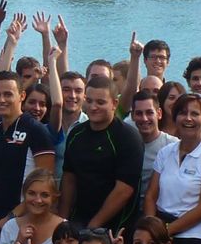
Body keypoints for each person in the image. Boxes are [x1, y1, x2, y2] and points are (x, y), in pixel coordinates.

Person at [144, 92, 201, 244]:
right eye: (182, 113)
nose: (188, 118)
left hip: (194, 237)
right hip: (159, 235)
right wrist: (150, 229)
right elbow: (151, 195)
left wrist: (165, 232)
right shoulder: (165, 152)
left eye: (195, 114)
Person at [59, 78, 143, 231]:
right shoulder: (76, 134)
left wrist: (93, 226)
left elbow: (124, 190)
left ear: (114, 104)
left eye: (100, 102)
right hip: (80, 218)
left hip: (117, 225)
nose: (93, 107)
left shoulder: (128, 137)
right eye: (89, 101)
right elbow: (69, 179)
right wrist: (62, 221)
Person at [0, 72, 55, 230]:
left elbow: (47, 183)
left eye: (8, 94)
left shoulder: (36, 130)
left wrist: (12, 216)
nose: (1, 100)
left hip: (26, 219)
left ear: (21, 96)